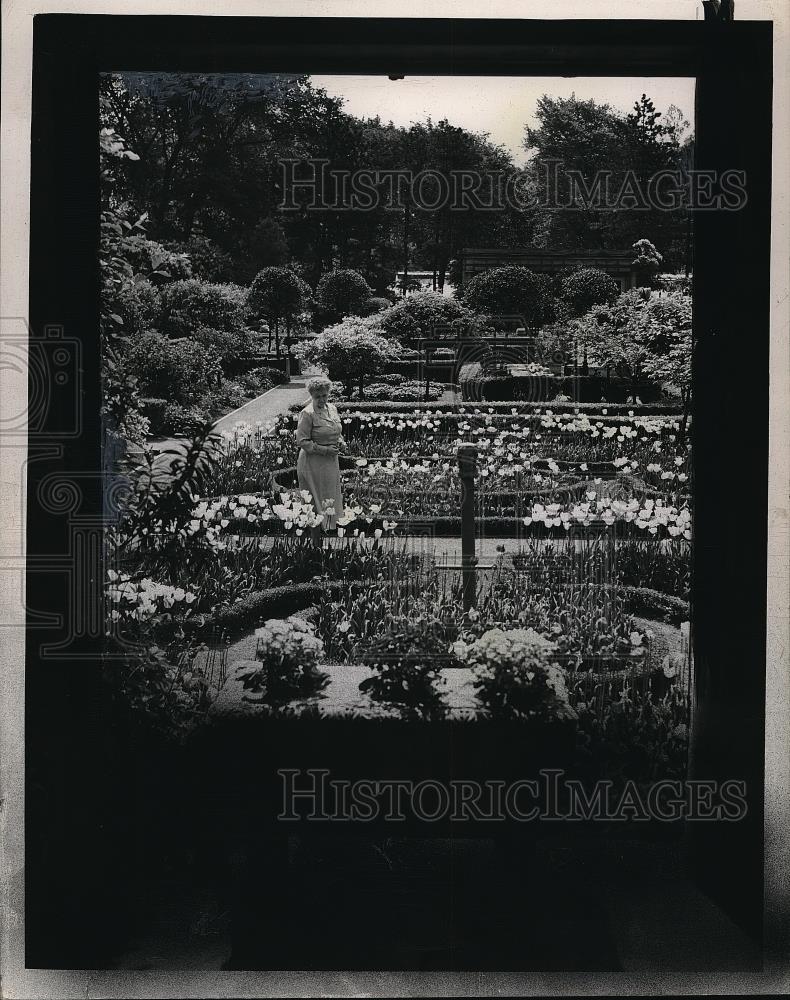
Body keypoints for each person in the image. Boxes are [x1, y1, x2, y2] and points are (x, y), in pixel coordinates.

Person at [295, 376, 346, 531]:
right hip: (313, 462)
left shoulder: (332, 409)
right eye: (318, 397)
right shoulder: (307, 413)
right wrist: (325, 450)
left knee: (330, 495)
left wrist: (341, 441)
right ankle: (315, 533)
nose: (322, 399)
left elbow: (336, 430)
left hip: (330, 461)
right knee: (316, 497)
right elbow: (302, 441)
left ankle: (330, 528)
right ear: (311, 395)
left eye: (324, 395)